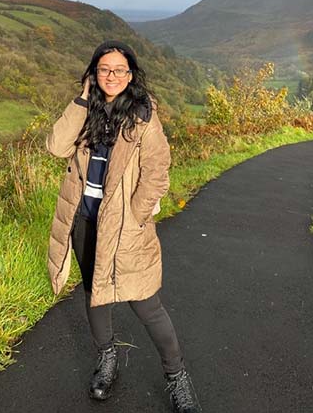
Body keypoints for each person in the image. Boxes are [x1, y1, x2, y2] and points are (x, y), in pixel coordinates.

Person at [45, 40, 202, 412]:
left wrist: (136, 216)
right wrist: (82, 99)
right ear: (93, 74)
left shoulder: (143, 116)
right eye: (103, 70)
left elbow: (157, 172)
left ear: (131, 75)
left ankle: (177, 378)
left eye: (119, 70)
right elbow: (55, 145)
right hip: (85, 220)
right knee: (93, 293)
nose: (111, 76)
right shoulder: (88, 110)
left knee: (147, 305)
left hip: (126, 228)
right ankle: (107, 359)